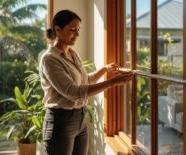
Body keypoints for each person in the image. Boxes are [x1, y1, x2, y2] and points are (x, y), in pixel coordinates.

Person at [39, 9, 133, 155]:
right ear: (58, 29)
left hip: (80, 119)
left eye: (78, 30)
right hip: (61, 122)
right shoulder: (50, 59)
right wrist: (112, 82)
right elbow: (74, 92)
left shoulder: (72, 53)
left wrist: (104, 70)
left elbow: (84, 81)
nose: (77, 34)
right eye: (72, 30)